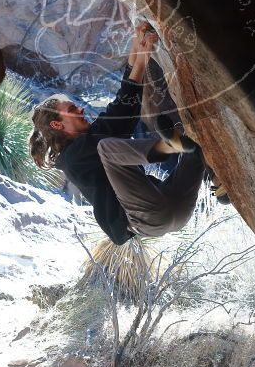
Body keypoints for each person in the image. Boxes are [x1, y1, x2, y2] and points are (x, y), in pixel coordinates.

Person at [28, 22, 209, 245]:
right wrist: (142, 58)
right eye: (72, 109)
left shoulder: (87, 143)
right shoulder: (74, 158)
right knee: (107, 147)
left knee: (195, 147)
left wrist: (137, 49)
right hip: (147, 217)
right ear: (57, 125)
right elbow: (122, 114)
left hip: (175, 208)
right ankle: (168, 145)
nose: (80, 109)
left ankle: (217, 182)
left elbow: (121, 111)